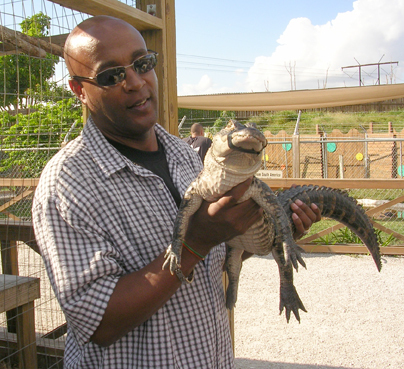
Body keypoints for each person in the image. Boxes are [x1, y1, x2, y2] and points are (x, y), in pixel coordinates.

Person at [32, 16, 321, 368]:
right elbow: (97, 322)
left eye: (142, 64)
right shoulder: (67, 183)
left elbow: (214, 253)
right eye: (112, 75)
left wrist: (272, 231)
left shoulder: (186, 155)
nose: (136, 83)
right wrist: (194, 242)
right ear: (79, 89)